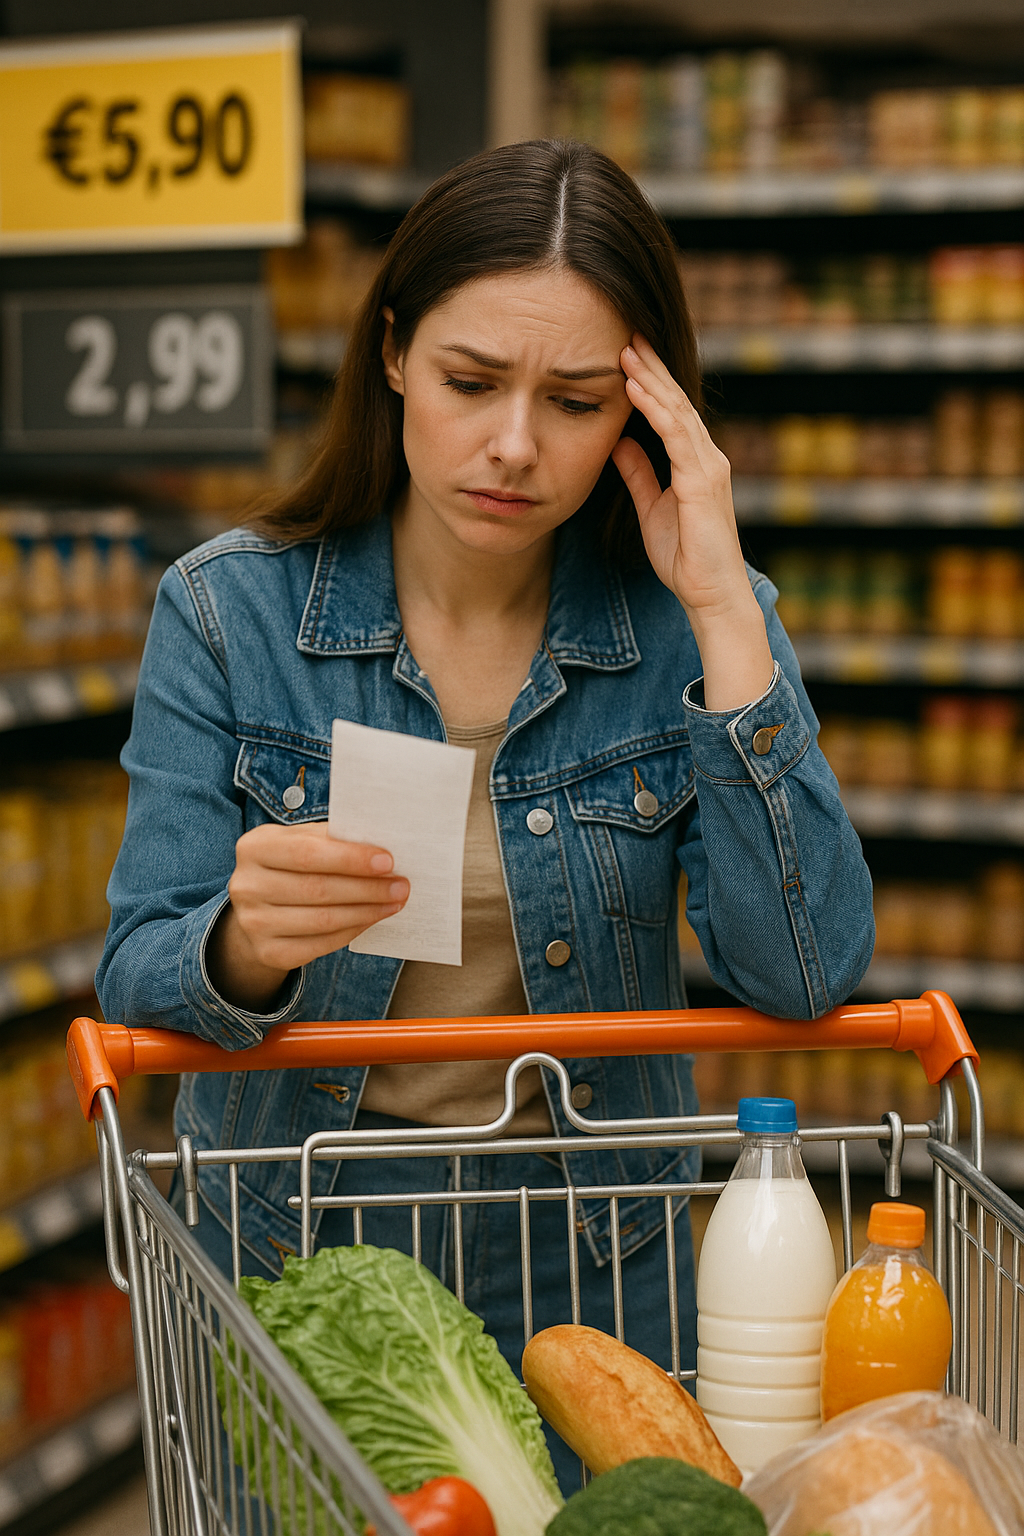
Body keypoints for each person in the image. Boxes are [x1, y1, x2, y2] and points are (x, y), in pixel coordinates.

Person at [97, 139, 873, 1490]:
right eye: (470, 382)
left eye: (575, 401)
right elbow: (136, 977)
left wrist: (721, 610)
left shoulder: (686, 627)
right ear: (393, 353)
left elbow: (803, 976)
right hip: (305, 1236)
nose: (515, 445)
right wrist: (241, 947)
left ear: (641, 411)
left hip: (587, 1247)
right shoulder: (231, 618)